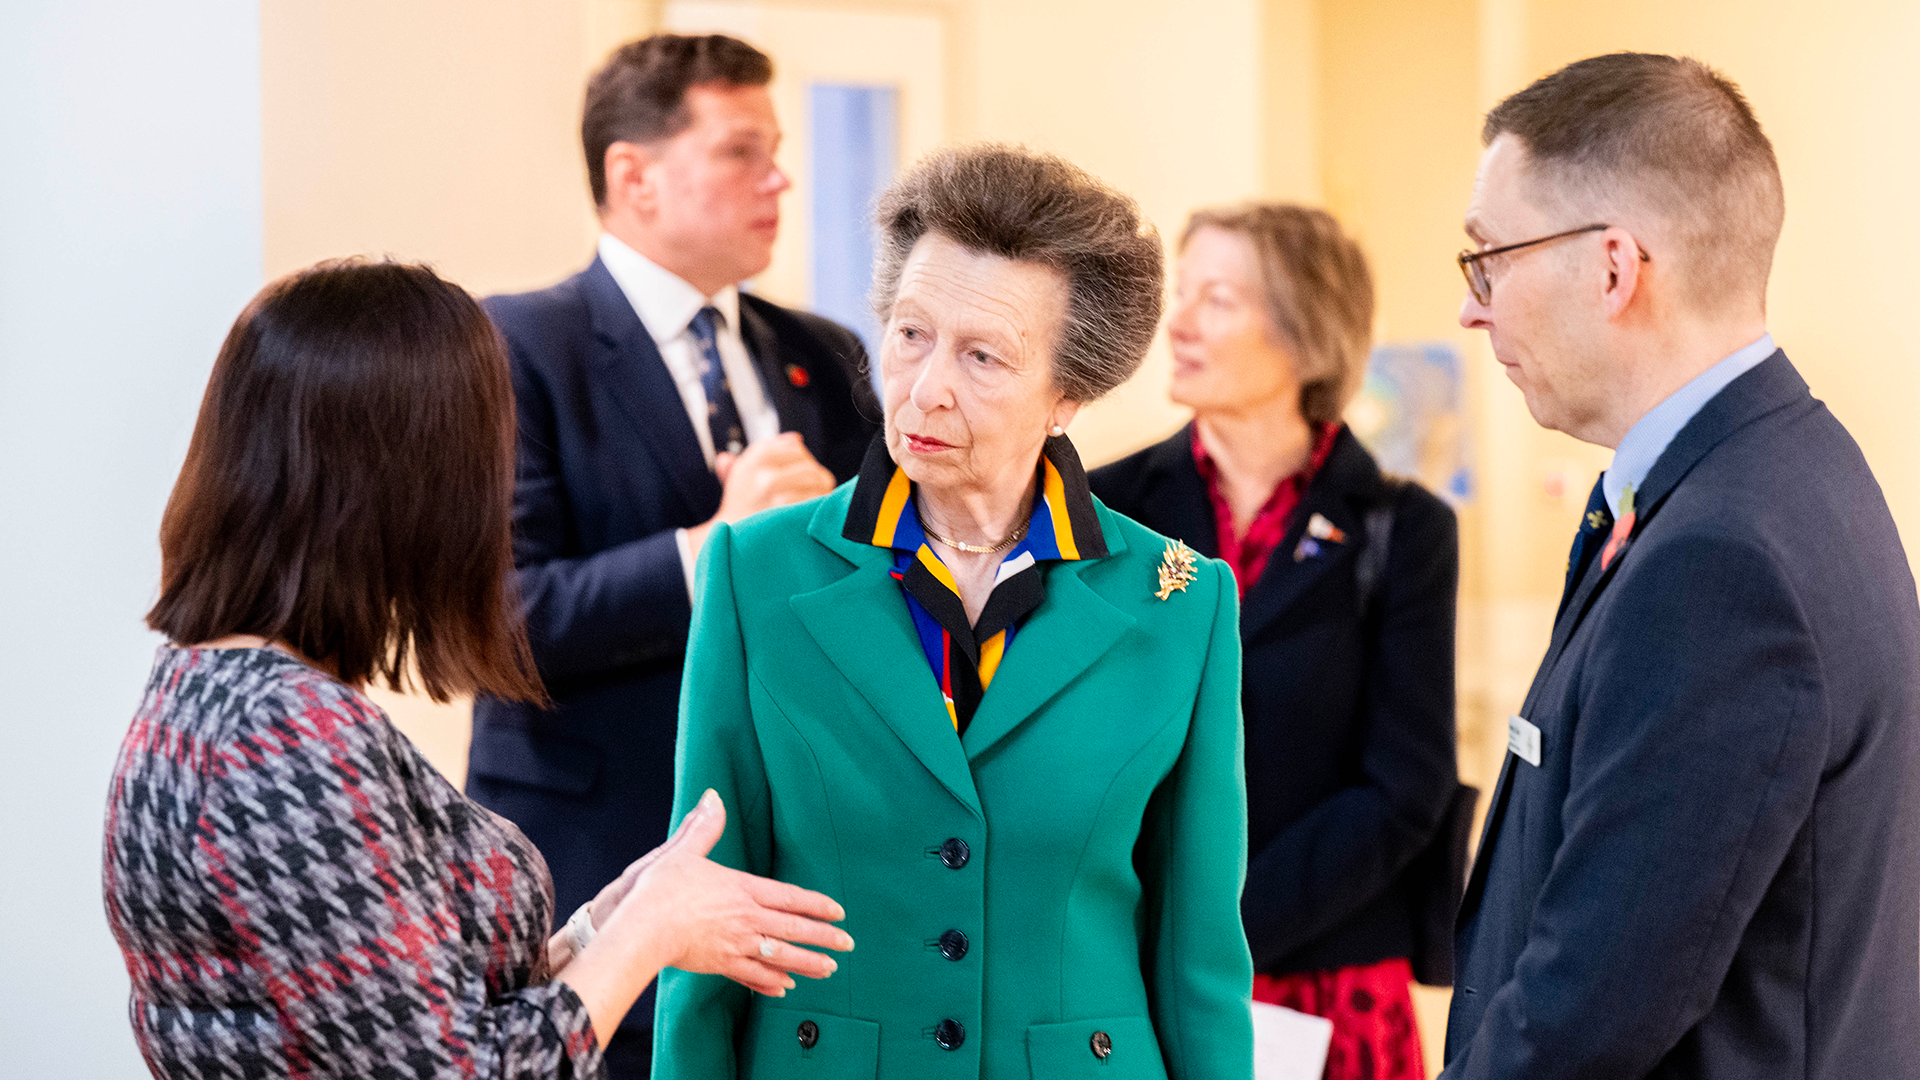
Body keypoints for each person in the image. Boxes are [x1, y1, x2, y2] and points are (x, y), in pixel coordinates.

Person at [103, 260, 854, 1080]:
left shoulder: (206, 691)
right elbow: (465, 1070)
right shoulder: (282, 733)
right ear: (405, 481)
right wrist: (652, 932)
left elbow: (401, 1015)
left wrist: (603, 928)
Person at [652, 145, 1255, 1080]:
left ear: (1068, 394)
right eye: (910, 334)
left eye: (983, 356)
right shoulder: (755, 575)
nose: (927, 386)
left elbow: (1198, 960)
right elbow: (703, 921)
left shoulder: (1182, 603)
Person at [1443, 53, 1920, 1078]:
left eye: (1490, 258)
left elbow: (1592, 1007)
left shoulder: (1722, 557)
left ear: (1614, 268)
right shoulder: (1786, 471)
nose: (1472, 311)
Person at [462, 34, 880, 1077]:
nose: (779, 176)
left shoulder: (825, 357)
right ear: (632, 174)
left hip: (793, 882)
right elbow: (500, 620)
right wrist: (712, 550)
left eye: (777, 149)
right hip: (595, 879)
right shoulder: (513, 350)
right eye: (742, 149)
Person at [1092, 204, 1461, 1080]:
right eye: (1183, 295)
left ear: (1303, 330)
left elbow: (1407, 787)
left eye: (1215, 299)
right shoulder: (1110, 513)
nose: (1176, 324)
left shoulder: (1400, 530)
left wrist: (1221, 926)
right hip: (1136, 965)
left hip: (1330, 979)